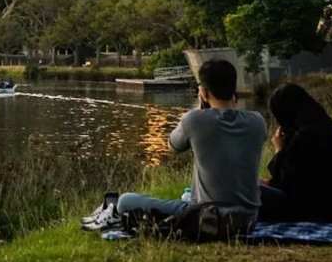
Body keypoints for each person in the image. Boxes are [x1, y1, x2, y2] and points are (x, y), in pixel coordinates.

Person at [83, 59, 268, 229]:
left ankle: (113, 209)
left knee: (125, 201)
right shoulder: (257, 121)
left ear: (203, 91)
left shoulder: (194, 120)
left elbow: (173, 146)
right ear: (233, 87)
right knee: (188, 194)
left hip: (205, 215)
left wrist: (199, 109)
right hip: (248, 218)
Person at [259, 84, 332, 223]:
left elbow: (288, 184)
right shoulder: (325, 127)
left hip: (321, 211)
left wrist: (279, 150)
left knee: (253, 193)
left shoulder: (306, 136)